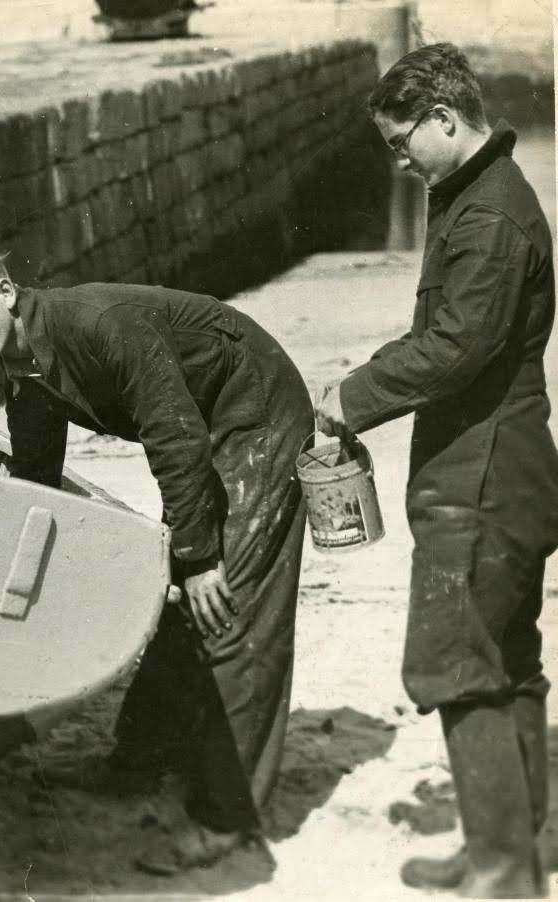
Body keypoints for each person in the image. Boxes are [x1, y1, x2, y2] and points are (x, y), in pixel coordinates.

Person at [0, 229, 313, 868]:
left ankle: (228, 816)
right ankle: (138, 763)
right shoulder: (23, 364)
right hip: (203, 426)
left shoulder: (100, 324)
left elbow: (175, 440)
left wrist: (201, 558)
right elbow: (38, 473)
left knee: (226, 606)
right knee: (173, 599)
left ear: (4, 292)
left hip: (255, 411)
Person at [314, 43, 558, 897]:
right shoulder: (486, 196)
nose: (399, 159)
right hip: (509, 469)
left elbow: (457, 346)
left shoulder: (487, 215)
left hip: (483, 480)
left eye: (402, 141)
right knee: (506, 663)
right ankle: (516, 849)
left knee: (457, 664)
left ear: (446, 121)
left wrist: (353, 395)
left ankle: (502, 875)